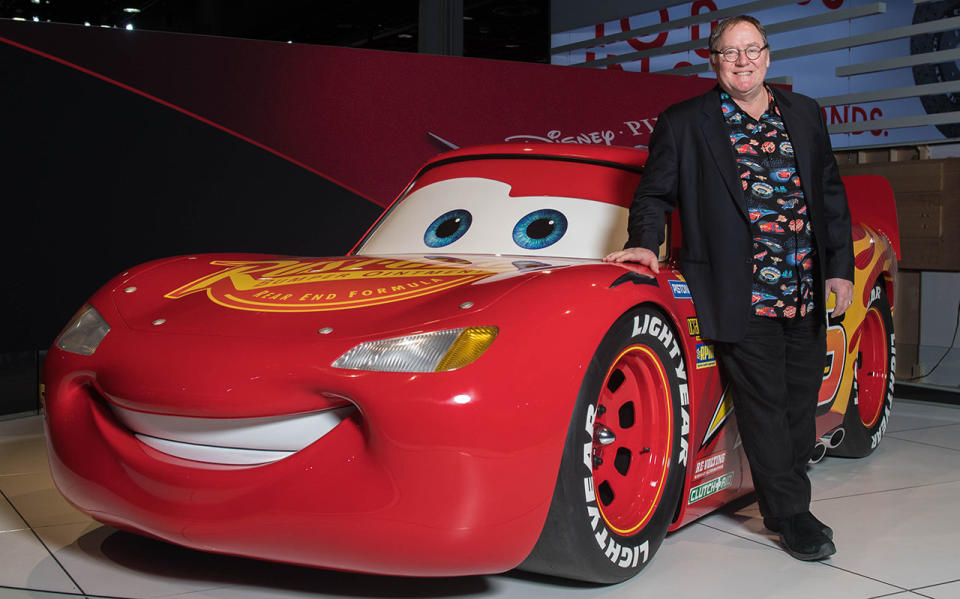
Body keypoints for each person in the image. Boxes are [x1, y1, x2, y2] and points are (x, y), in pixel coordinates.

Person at [604, 15, 853, 561]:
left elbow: (830, 195)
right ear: (712, 60)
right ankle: (791, 515)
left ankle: (789, 500)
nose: (743, 61)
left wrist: (839, 269)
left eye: (752, 50)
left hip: (804, 289)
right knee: (764, 406)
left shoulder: (805, 113)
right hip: (739, 292)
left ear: (767, 56)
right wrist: (645, 242)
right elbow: (653, 195)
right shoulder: (685, 122)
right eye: (730, 52)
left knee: (797, 405)